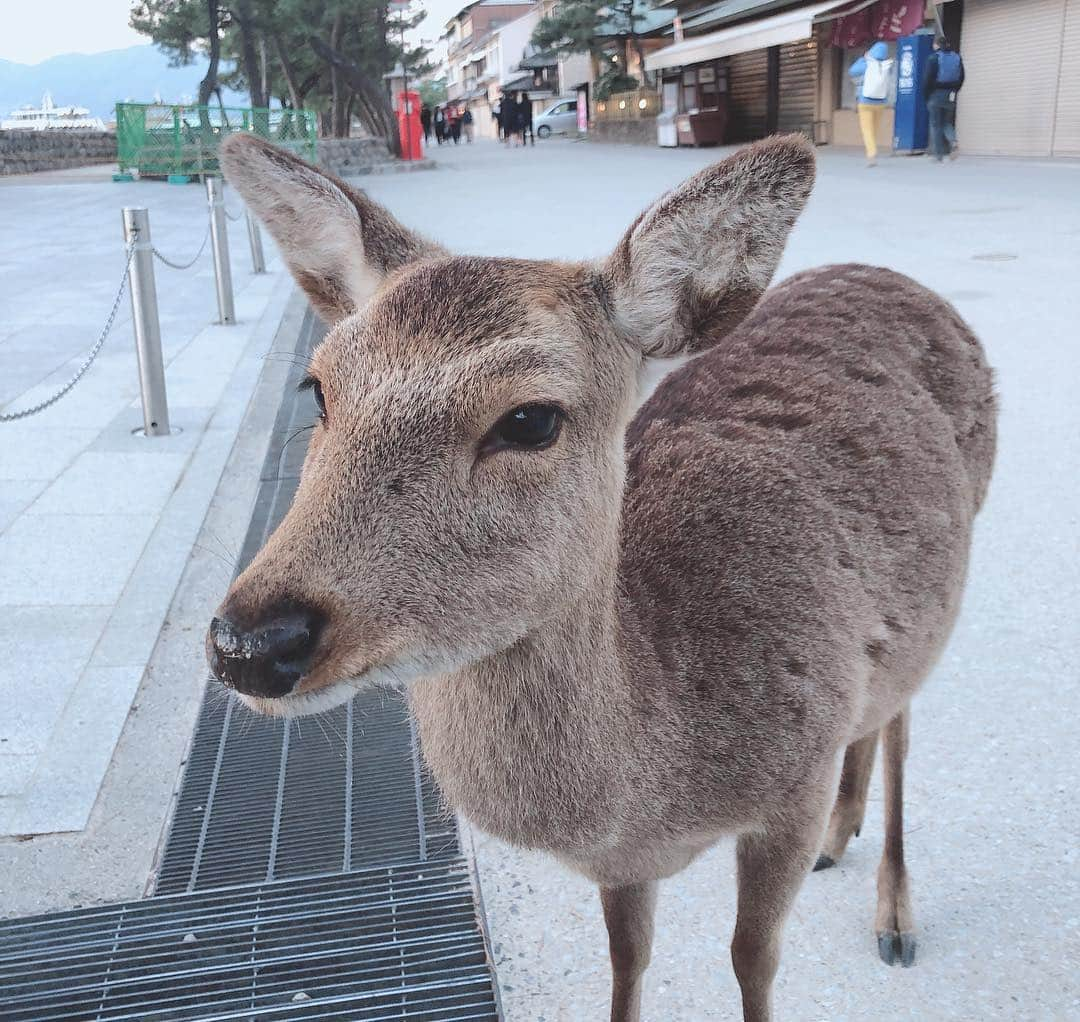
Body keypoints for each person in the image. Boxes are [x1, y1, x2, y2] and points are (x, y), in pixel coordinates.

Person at [848, 40, 894, 168]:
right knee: (874, 129)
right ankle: (872, 149)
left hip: (865, 102)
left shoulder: (867, 64)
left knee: (867, 130)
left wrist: (864, 58)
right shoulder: (885, 65)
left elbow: (852, 71)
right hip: (880, 103)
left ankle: (871, 154)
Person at [923, 34, 965, 162]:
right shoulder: (957, 58)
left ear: (936, 45)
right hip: (951, 94)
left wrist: (926, 96)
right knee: (946, 122)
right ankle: (953, 142)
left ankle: (938, 156)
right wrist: (955, 90)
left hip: (936, 94)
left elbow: (927, 79)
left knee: (935, 125)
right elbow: (962, 77)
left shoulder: (933, 58)